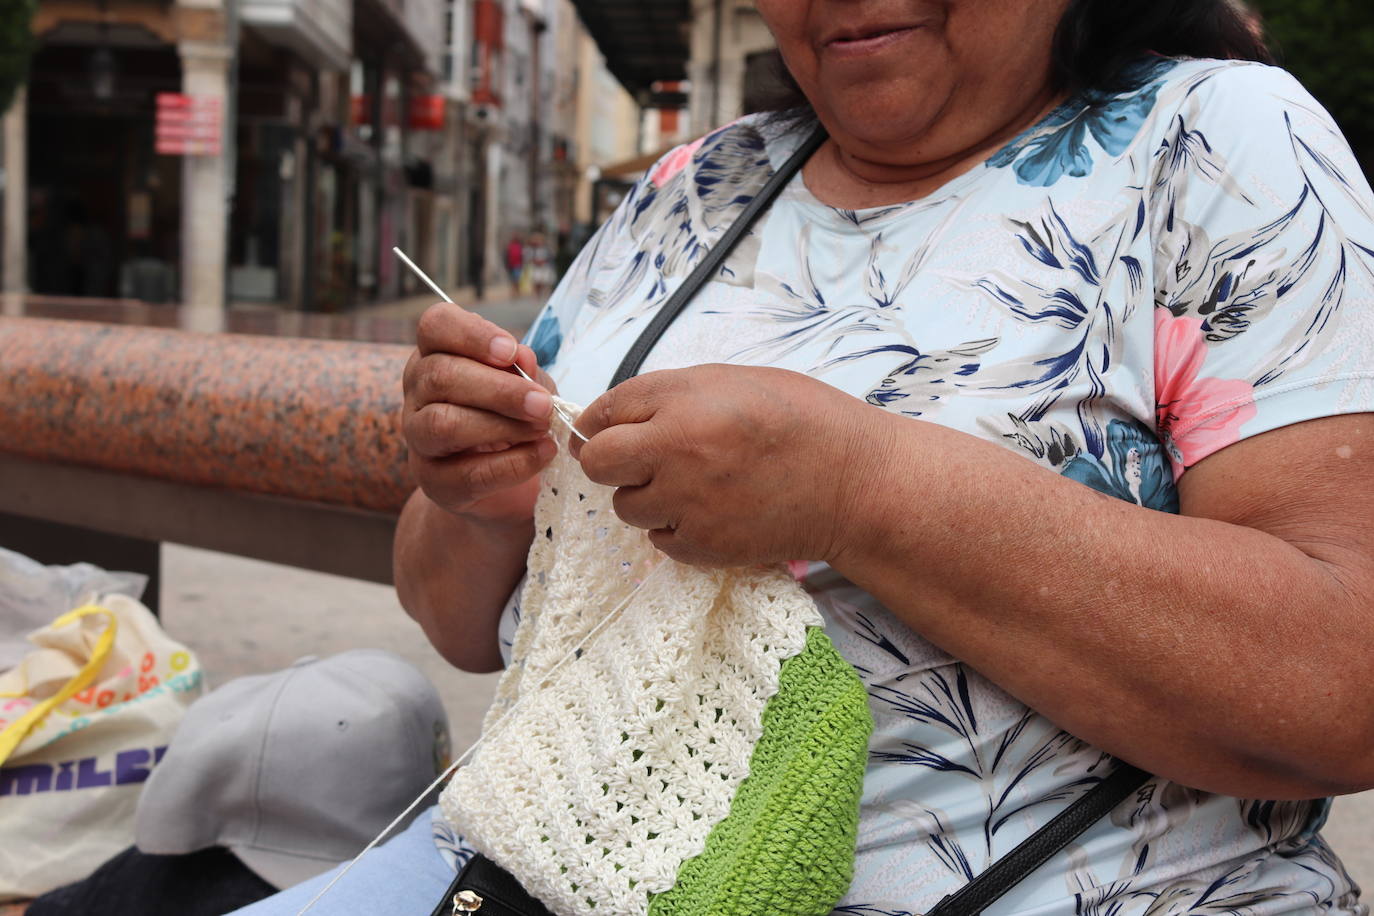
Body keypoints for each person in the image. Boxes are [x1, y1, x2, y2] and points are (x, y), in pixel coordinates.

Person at [240, 1, 1374, 912]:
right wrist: (482, 497)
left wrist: (862, 492)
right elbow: (453, 617)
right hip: (561, 863)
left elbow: (1347, 683)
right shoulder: (698, 188)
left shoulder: (1221, 142)